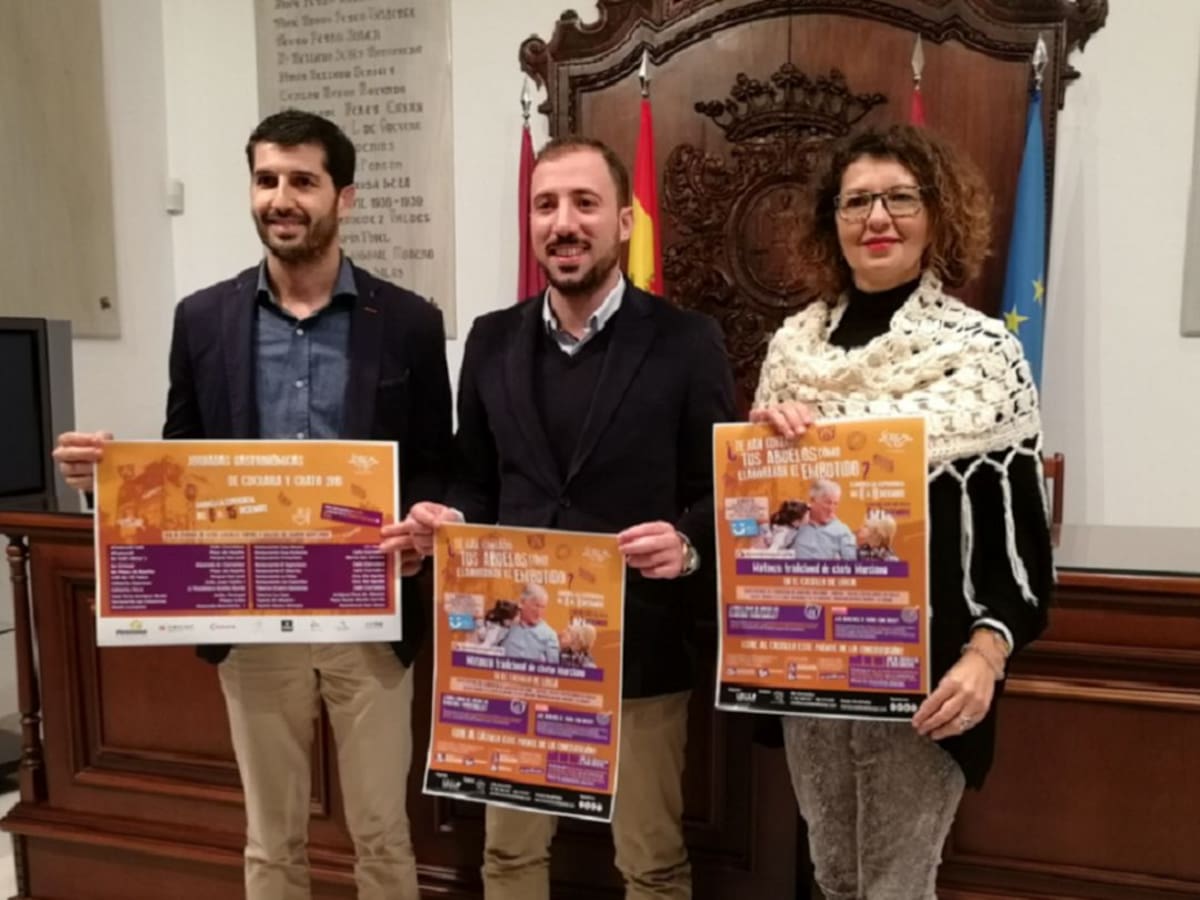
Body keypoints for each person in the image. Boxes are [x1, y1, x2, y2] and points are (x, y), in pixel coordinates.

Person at [52, 110, 453, 900]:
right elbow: (183, 456)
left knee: (382, 835)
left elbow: (439, 467)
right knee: (272, 841)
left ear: (346, 197)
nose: (281, 197)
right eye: (267, 179)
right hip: (253, 622)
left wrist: (429, 524)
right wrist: (110, 483)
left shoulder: (409, 321)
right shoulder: (202, 319)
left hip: (370, 623)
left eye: (303, 180)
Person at [383, 135, 736, 900]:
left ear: (623, 223)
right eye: (546, 205)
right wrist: (448, 516)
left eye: (584, 203)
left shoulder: (686, 342)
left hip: (638, 643)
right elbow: (477, 480)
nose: (563, 222)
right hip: (513, 649)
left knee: (650, 860)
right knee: (507, 858)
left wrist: (688, 542)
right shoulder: (490, 339)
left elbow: (721, 490)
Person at [750, 124, 1052, 899]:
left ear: (935, 215)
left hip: (926, 681)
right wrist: (766, 455)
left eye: (899, 199)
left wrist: (987, 657)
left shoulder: (983, 356)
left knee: (894, 887)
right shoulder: (789, 354)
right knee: (834, 876)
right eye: (856, 202)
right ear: (832, 223)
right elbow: (757, 529)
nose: (877, 217)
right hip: (810, 672)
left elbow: (1021, 552)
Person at [779, 479, 856, 559]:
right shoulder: (795, 523)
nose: (831, 509)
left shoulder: (842, 531)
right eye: (828, 503)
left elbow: (851, 564)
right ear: (812, 501)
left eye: (835, 504)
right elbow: (776, 552)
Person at [499, 583, 560, 662]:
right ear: (522, 603)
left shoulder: (549, 636)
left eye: (543, 607)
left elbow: (553, 669)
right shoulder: (507, 627)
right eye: (536, 606)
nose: (539, 612)